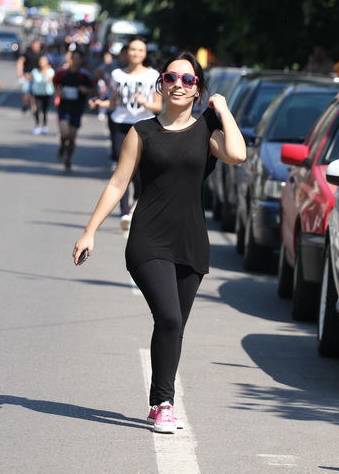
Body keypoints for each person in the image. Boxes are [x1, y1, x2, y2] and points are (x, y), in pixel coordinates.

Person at [72, 51, 246, 434]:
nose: (178, 85)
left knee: (174, 326)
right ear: (161, 85)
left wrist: (223, 109)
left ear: (198, 89)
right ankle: (165, 403)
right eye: (171, 78)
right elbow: (118, 183)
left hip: (191, 241)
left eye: (188, 80)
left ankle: (157, 402)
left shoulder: (208, 132)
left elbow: (237, 154)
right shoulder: (142, 133)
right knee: (168, 317)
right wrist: (90, 231)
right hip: (148, 239)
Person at [88, 38, 163, 230]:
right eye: (133, 49)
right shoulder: (117, 75)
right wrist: (99, 104)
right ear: (126, 52)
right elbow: (114, 102)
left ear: (145, 54)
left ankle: (136, 202)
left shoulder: (153, 76)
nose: (136, 53)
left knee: (139, 172)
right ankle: (124, 213)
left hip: (144, 125)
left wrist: (145, 103)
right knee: (122, 170)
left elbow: (158, 106)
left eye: (140, 50)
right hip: (120, 124)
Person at [53, 49, 96, 170]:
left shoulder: (84, 75)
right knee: (65, 134)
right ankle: (62, 145)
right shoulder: (62, 73)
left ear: (81, 60)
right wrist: (58, 92)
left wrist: (85, 90)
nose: (76, 61)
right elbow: (55, 84)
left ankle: (68, 159)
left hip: (77, 109)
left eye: (78, 59)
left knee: (72, 137)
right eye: (74, 58)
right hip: (64, 107)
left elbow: (93, 90)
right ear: (70, 59)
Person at [30, 55, 54, 135]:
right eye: (41, 61)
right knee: (37, 109)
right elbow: (34, 80)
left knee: (44, 110)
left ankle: (44, 125)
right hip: (37, 93)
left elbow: (48, 80)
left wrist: (45, 71)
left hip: (47, 93)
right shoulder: (35, 71)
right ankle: (37, 125)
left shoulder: (50, 71)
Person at [17, 39, 43, 113]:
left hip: (38, 75)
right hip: (28, 75)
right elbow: (20, 61)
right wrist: (20, 72)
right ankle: (25, 104)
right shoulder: (27, 53)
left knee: (35, 92)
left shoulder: (42, 54)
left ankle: (34, 107)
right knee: (26, 92)